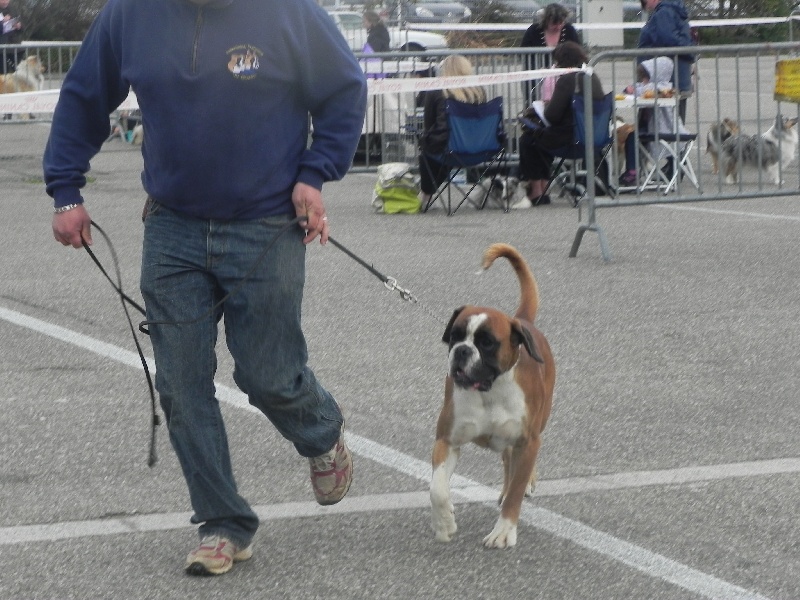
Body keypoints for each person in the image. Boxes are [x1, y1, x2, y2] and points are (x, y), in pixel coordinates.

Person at [44, 0, 367, 578]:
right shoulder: (129, 15)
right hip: (172, 227)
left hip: (266, 224)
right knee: (181, 384)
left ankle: (321, 433)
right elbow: (84, 95)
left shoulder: (288, 12)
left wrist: (315, 173)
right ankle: (223, 523)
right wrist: (65, 188)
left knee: (267, 374)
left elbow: (344, 90)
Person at [518, 41, 604, 205]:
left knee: (528, 139)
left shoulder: (566, 80)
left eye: (557, 62)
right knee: (542, 136)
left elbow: (552, 116)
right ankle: (544, 187)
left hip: (570, 139)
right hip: (594, 138)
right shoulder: (592, 76)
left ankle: (537, 190)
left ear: (562, 62)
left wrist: (545, 105)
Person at [417, 54, 487, 208]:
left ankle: (426, 195)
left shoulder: (436, 91)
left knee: (430, 150)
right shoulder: (479, 91)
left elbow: (429, 124)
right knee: (443, 145)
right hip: (481, 149)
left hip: (451, 150)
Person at [618, 56, 689, 187]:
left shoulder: (664, 87)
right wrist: (630, 89)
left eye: (646, 77)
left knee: (635, 137)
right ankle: (632, 170)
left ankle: (634, 172)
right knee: (632, 136)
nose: (644, 81)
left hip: (665, 129)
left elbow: (647, 90)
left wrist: (634, 90)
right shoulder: (649, 86)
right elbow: (638, 88)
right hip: (651, 128)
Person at [637, 0, 694, 122]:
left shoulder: (664, 13)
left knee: (663, 128)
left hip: (667, 83)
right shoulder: (672, 11)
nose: (646, 7)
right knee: (674, 126)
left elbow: (668, 41)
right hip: (676, 78)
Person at [520, 3, 580, 102]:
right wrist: (537, 68)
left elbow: (578, 53)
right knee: (534, 105)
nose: (558, 26)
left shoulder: (570, 30)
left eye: (561, 22)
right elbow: (523, 54)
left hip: (565, 79)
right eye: (554, 23)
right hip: (536, 81)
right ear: (545, 20)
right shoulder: (533, 31)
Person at [0, 0, 23, 74]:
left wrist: (19, 26)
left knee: (18, 73)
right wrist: (2, 22)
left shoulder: (13, 9)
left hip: (15, 47)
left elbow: (21, 26)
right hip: (2, 48)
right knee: (3, 74)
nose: (5, 2)